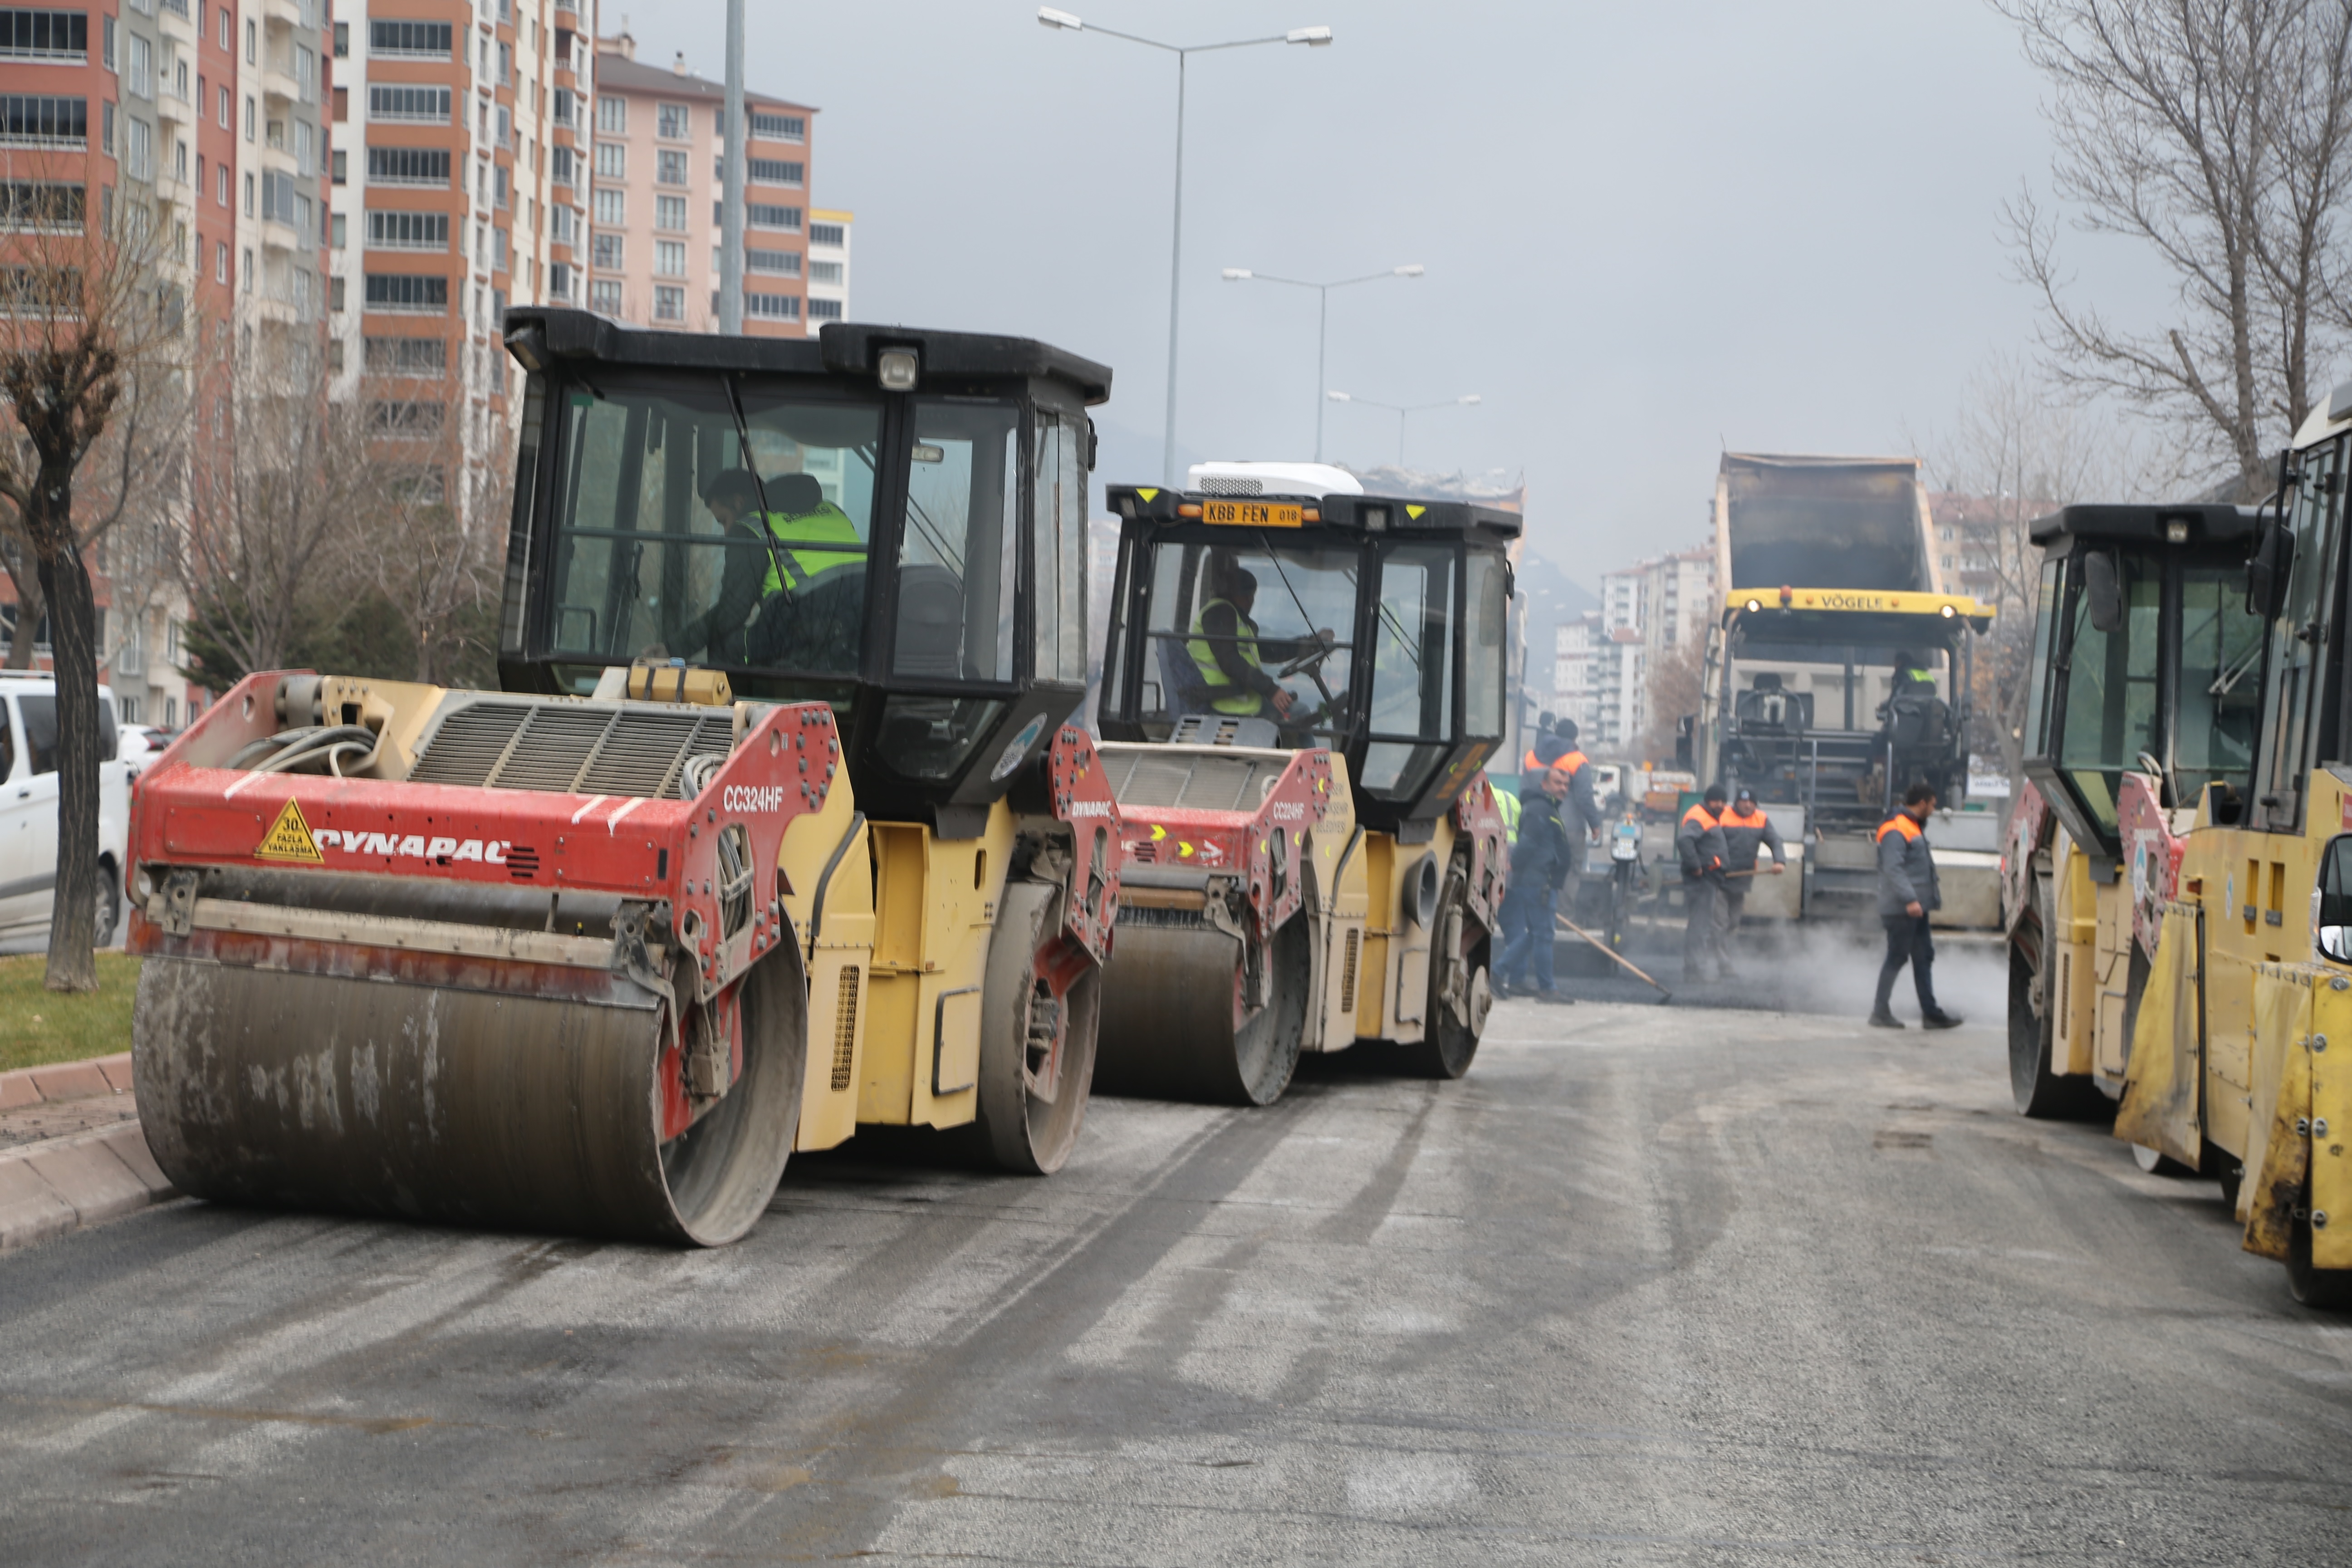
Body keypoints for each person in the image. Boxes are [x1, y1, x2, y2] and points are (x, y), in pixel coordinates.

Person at [670, 469, 864, 663]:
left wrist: (674, 648)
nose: (727, 532)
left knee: (724, 640)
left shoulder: (751, 528)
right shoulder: (832, 510)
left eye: (724, 521)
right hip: (864, 626)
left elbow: (734, 609)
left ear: (739, 502)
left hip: (808, 627)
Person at [1185, 560, 1331, 722]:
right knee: (1300, 713)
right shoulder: (1220, 613)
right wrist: (1271, 690)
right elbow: (1230, 662)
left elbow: (1266, 651)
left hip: (1239, 700)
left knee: (1296, 713)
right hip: (1224, 704)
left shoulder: (1234, 617)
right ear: (1239, 595)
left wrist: (1308, 644)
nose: (1251, 602)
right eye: (1249, 596)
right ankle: (1309, 750)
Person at [1872, 781, 1962, 1030]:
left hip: (1915, 908)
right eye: (1933, 805)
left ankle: (1931, 1015)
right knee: (1897, 957)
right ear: (1922, 804)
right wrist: (1911, 899)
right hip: (1901, 908)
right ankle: (1879, 1012)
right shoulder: (1895, 827)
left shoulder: (1912, 825)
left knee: (1924, 957)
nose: (1934, 810)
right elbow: (1893, 868)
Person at [1494, 764, 1575, 1003]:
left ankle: (1500, 973)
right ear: (1544, 785)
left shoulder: (1547, 808)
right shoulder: (1540, 808)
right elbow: (1528, 842)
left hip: (1541, 880)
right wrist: (1516, 864)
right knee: (1544, 935)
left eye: (1566, 785)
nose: (1563, 789)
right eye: (1558, 783)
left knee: (1536, 934)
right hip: (1538, 882)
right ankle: (1547, 989)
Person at [1714, 786, 1785, 975]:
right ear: (1736, 803)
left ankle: (1716, 950)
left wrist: (1780, 861)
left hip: (1742, 879)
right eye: (1743, 801)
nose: (1747, 805)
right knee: (1721, 922)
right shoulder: (1723, 816)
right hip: (1719, 877)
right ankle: (1724, 964)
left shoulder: (1761, 819)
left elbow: (1775, 841)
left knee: (1734, 922)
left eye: (1751, 802)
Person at [1677, 784, 1730, 982]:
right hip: (1701, 879)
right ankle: (1695, 969)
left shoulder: (1710, 816)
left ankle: (1695, 967)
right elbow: (1684, 841)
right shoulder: (1699, 817)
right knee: (1700, 925)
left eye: (1723, 802)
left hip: (1708, 878)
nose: (1721, 805)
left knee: (1701, 924)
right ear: (1708, 800)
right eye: (1717, 801)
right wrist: (1696, 866)